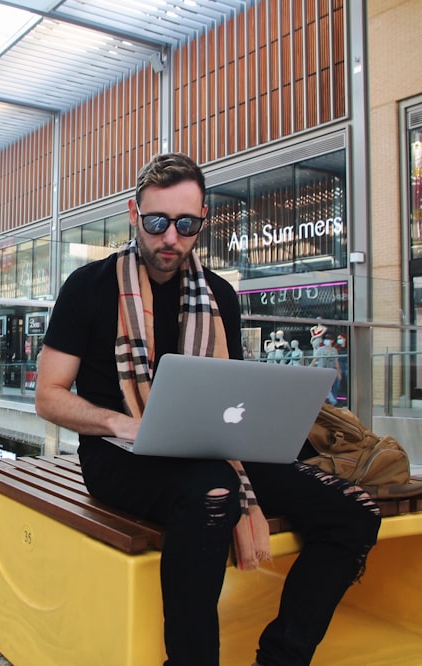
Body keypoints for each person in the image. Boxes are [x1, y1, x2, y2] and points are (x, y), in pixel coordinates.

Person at [34, 152, 381, 666]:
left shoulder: (219, 294)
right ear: (134, 214)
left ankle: (282, 656)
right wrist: (118, 421)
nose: (170, 238)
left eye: (186, 224)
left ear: (202, 223)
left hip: (214, 451)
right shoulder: (88, 287)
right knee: (212, 494)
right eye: (157, 222)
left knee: (355, 513)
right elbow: (49, 395)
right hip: (119, 456)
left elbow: (230, 398)